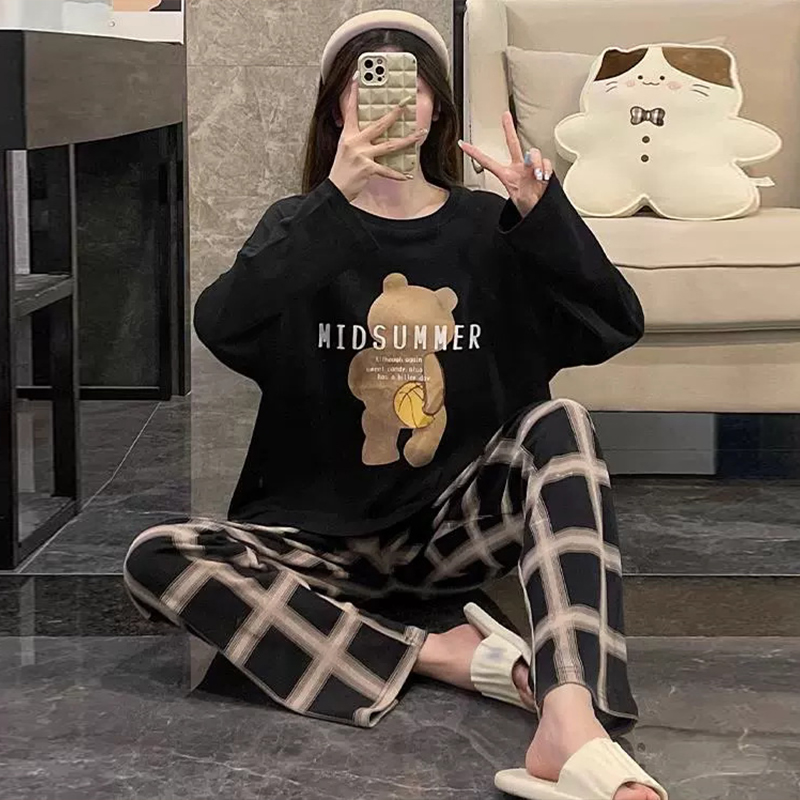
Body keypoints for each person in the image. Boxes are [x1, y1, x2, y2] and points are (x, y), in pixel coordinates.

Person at [122, 10, 668, 800]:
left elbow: (615, 323)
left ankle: (569, 713)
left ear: (437, 108)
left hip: (449, 531)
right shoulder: (299, 226)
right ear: (336, 110)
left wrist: (544, 215)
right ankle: (441, 655)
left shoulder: (488, 228)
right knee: (157, 556)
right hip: (320, 541)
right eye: (365, 83)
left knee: (564, 424)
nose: (391, 100)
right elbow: (222, 325)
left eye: (409, 84)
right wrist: (333, 202)